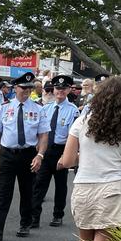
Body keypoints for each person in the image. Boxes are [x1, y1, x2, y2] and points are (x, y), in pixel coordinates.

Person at [57, 75, 121, 241]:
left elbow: (66, 161)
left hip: (83, 187)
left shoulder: (81, 121)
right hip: (112, 188)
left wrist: (87, 157)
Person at [0, 72, 50, 241]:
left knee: (26, 191)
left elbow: (43, 135)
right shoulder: (5, 107)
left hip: (28, 154)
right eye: (23, 88)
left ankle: (25, 224)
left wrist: (40, 155)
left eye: (30, 88)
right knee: (4, 193)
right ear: (15, 88)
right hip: (8, 154)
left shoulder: (38, 109)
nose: (27, 91)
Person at [30, 75, 79, 228]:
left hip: (61, 150)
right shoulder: (46, 108)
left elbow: (73, 136)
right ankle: (34, 217)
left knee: (60, 185)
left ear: (69, 90)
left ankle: (58, 215)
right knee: (39, 184)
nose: (60, 91)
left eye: (64, 89)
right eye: (58, 88)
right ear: (54, 89)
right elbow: (41, 131)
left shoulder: (73, 111)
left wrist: (66, 155)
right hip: (46, 150)